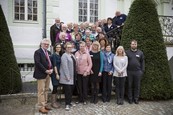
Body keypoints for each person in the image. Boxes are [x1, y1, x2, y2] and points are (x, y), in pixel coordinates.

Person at [33, 39, 53, 114]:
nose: (46, 45)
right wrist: (45, 70)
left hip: (48, 74)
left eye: (48, 44)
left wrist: (51, 69)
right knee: (41, 91)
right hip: (41, 74)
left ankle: (45, 104)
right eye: (45, 44)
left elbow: (50, 62)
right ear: (41, 44)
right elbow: (38, 63)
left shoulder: (49, 52)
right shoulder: (37, 52)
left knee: (46, 90)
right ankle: (41, 107)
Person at [126, 40, 145, 104]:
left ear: (137, 45)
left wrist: (142, 71)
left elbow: (142, 62)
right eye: (132, 44)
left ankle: (136, 99)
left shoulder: (140, 53)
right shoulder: (127, 52)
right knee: (129, 86)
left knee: (137, 86)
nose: (134, 45)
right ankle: (130, 99)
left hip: (137, 72)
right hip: (129, 72)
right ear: (130, 45)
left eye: (135, 44)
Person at [59, 42, 77, 111]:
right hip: (67, 77)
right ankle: (67, 104)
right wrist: (67, 76)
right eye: (68, 47)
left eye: (70, 47)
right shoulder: (64, 55)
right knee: (67, 91)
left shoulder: (72, 55)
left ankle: (69, 102)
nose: (69, 48)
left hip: (73, 76)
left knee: (71, 90)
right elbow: (65, 66)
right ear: (65, 48)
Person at [50, 43, 63, 108]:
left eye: (59, 47)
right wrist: (57, 74)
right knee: (55, 87)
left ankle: (55, 101)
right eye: (57, 47)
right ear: (55, 48)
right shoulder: (54, 55)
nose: (58, 48)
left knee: (56, 86)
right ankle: (53, 103)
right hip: (55, 73)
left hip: (59, 72)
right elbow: (54, 65)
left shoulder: (59, 55)